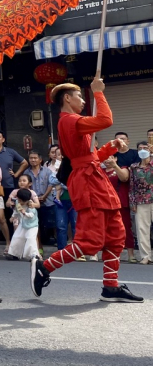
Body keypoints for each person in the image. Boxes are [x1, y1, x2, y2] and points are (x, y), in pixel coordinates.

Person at [31, 79, 143, 303]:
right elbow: (106, 119)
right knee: (89, 242)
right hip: (89, 183)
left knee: (115, 238)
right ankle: (44, 266)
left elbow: (90, 157)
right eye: (79, 96)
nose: (83, 100)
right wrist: (98, 93)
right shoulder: (70, 120)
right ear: (67, 98)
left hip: (95, 181)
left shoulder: (71, 121)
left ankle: (110, 288)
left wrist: (111, 146)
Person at [103, 155, 137, 263]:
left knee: (125, 227)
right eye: (105, 157)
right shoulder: (100, 170)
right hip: (104, 203)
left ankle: (130, 254)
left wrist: (115, 166)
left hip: (120, 202)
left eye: (110, 157)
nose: (107, 160)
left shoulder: (123, 168)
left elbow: (124, 178)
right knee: (104, 229)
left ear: (116, 158)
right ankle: (105, 253)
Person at [128, 146, 152, 264]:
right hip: (141, 200)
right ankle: (145, 256)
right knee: (142, 229)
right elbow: (132, 186)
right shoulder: (134, 167)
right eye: (140, 148)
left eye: (145, 148)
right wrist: (132, 202)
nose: (143, 150)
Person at [0, 131, 28, 201]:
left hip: (8, 184)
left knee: (9, 206)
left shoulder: (10, 152)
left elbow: (24, 163)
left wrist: (16, 174)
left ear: (3, 139)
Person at [8, 189, 40, 260]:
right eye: (20, 200)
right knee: (17, 236)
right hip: (23, 223)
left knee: (30, 238)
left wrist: (24, 213)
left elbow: (31, 215)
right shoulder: (17, 202)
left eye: (23, 201)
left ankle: (33, 255)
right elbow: (16, 211)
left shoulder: (30, 204)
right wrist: (13, 217)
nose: (21, 202)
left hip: (32, 225)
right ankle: (14, 254)